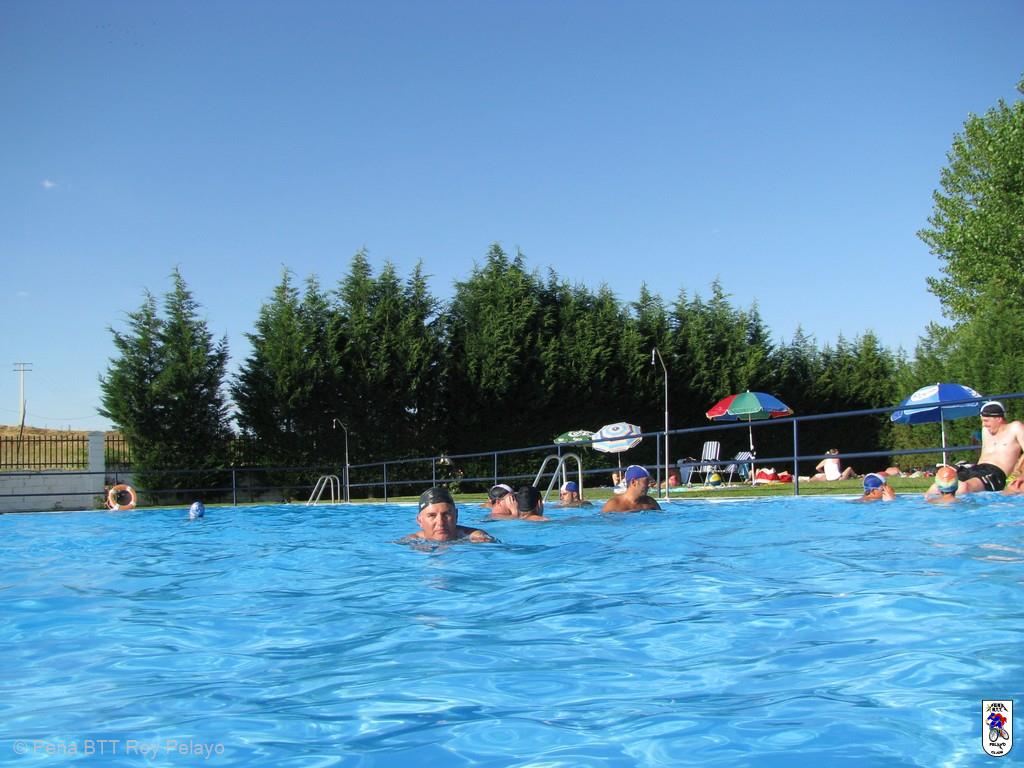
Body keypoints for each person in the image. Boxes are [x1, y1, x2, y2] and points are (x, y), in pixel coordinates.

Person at [926, 401, 1024, 496]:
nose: (983, 424)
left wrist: (1022, 475)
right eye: (982, 421)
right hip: (975, 469)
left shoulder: (1015, 428)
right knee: (937, 487)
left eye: (986, 421)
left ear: (998, 418)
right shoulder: (986, 430)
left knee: (964, 487)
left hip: (995, 473)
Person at [400, 486, 494, 543]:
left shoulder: (475, 537)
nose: (440, 522)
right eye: (432, 515)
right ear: (419, 521)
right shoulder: (411, 542)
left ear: (456, 516)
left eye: (446, 514)